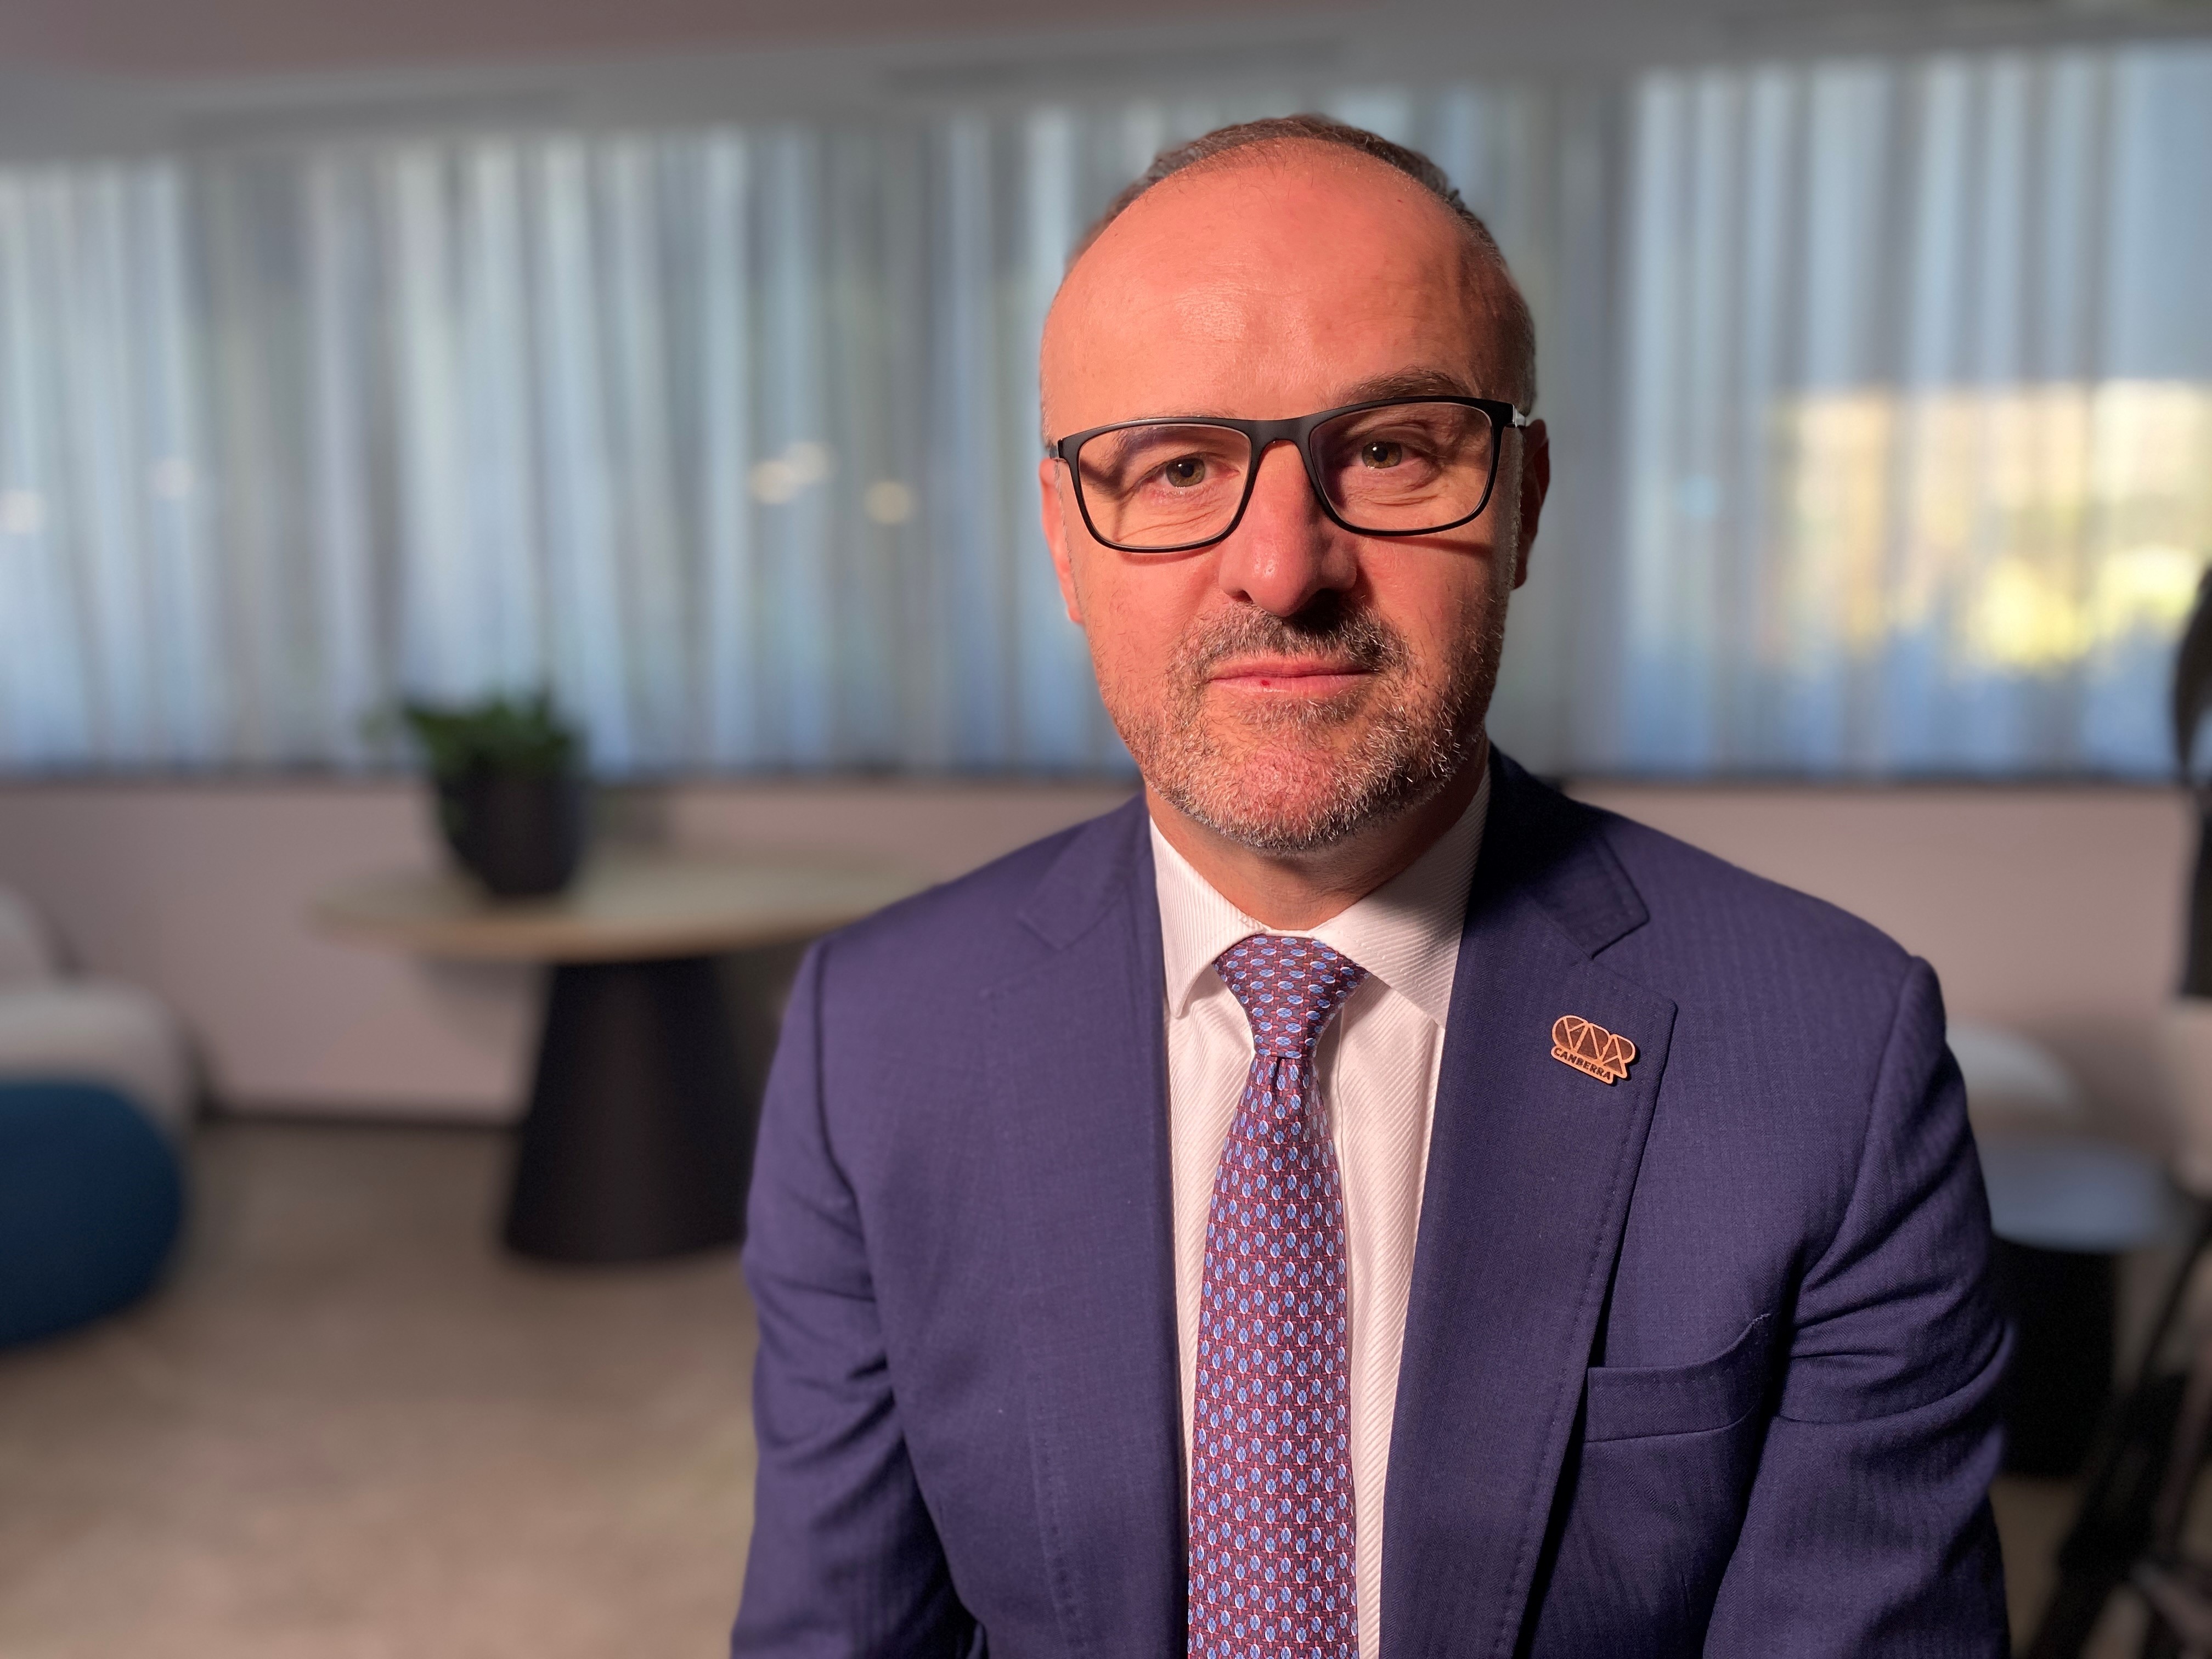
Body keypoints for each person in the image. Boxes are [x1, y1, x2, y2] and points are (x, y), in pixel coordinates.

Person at [732, 115, 2007, 1657]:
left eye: (1394, 449)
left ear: (1524, 502)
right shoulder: (873, 1039)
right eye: (1179, 462)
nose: (1284, 567)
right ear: (1067, 542)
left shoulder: (1830, 1059)